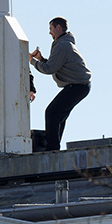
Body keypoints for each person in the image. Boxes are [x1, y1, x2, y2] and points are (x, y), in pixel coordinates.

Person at [29, 18, 92, 151]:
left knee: (51, 112)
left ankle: (52, 148)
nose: (49, 32)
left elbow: (49, 69)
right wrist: (40, 59)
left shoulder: (62, 46)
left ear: (58, 27)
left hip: (77, 86)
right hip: (79, 86)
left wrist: (32, 61)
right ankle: (53, 146)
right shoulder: (62, 44)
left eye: (51, 29)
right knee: (58, 116)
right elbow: (54, 65)